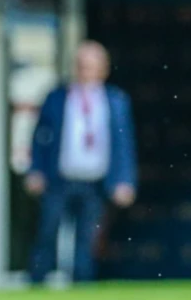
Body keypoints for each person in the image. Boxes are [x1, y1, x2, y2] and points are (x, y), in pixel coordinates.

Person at [25, 41, 137, 285]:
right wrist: (35, 170)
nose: (85, 72)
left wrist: (124, 180)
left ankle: (82, 284)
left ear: (103, 69)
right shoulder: (56, 97)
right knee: (47, 231)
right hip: (60, 179)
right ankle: (36, 281)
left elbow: (123, 143)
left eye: (91, 66)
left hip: (95, 181)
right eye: (81, 66)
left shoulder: (116, 100)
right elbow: (40, 138)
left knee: (89, 238)